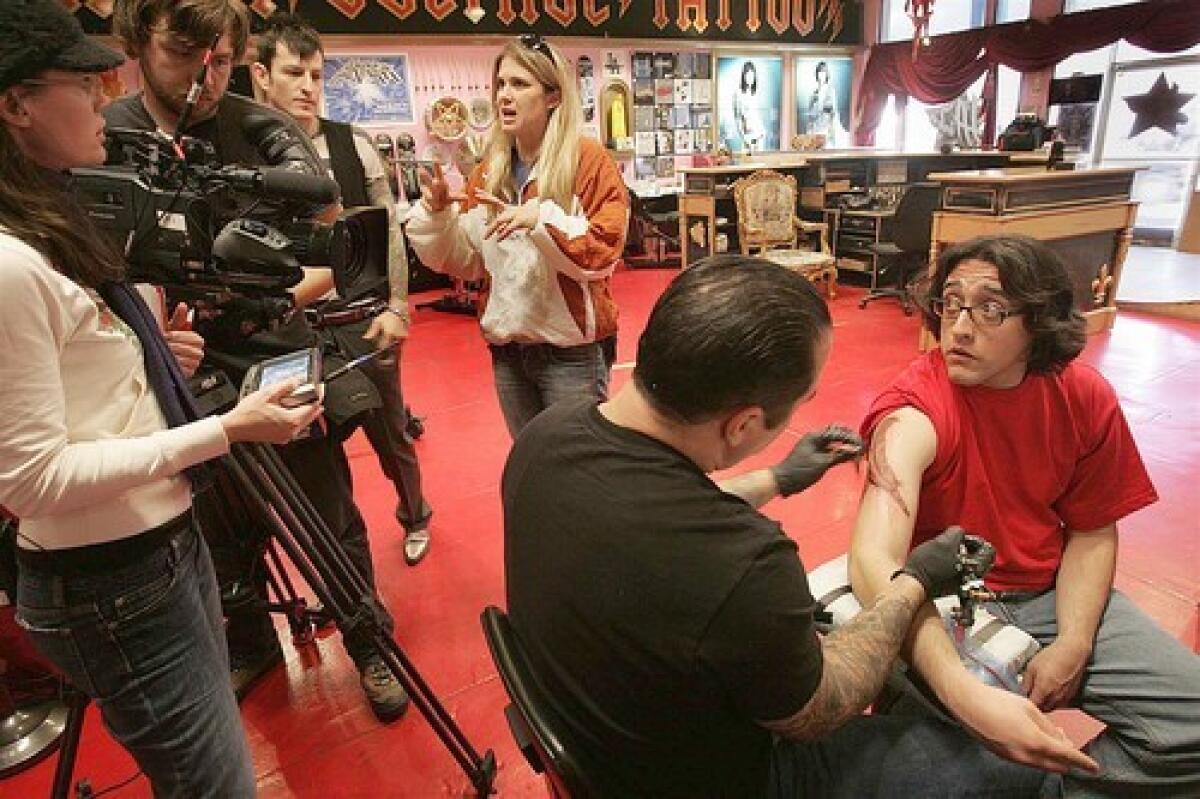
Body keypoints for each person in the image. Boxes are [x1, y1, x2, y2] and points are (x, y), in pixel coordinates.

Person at [503, 255, 1065, 797]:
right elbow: (821, 706)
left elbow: (655, 508)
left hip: (602, 738)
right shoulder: (743, 561)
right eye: (801, 402)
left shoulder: (547, 435)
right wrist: (914, 579)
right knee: (1018, 777)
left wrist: (778, 477)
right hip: (720, 779)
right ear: (744, 423)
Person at [0, 1, 321, 793]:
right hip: (109, 579)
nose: (104, 92)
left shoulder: (50, 220)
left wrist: (150, 358)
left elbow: (82, 386)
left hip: (158, 549)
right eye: (82, 81)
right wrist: (222, 429)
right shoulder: (10, 264)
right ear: (15, 105)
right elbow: (29, 481)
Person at [105, 0, 409, 721]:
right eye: (184, 55)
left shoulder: (261, 128)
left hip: (273, 348)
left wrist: (268, 294)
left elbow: (338, 247)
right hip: (173, 364)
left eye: (220, 58)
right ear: (140, 42)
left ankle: (369, 642)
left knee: (326, 512)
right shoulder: (106, 134)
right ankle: (252, 643)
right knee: (219, 526)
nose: (201, 79)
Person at [849, 234, 1200, 796]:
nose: (960, 328)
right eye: (951, 303)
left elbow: (1091, 529)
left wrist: (1075, 643)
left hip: (1047, 593)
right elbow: (873, 559)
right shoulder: (913, 410)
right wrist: (969, 698)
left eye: (990, 309)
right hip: (941, 602)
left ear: (1036, 322)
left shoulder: (1083, 396)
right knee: (962, 773)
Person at [251, 13, 433, 566]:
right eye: (294, 73)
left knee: (391, 432)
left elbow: (389, 231)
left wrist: (399, 306)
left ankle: (416, 514)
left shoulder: (351, 143)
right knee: (313, 448)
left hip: (361, 315)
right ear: (262, 75)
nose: (307, 86)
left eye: (315, 74)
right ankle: (340, 554)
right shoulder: (244, 152)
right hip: (286, 326)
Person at [407, 33, 628, 438]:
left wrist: (540, 220)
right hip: (508, 353)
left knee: (576, 472)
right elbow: (470, 262)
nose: (504, 96)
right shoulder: (490, 170)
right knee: (531, 466)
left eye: (520, 84)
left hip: (571, 355)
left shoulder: (588, 162)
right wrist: (438, 215)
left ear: (553, 97)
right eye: (501, 84)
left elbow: (603, 252)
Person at [733, 60, 766, 153]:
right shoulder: (738, 93)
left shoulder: (755, 93)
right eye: (748, 75)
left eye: (752, 75)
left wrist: (762, 132)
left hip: (759, 133)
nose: (750, 78)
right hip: (748, 134)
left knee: (760, 163)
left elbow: (757, 114)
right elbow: (737, 118)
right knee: (748, 162)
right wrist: (743, 137)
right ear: (743, 76)